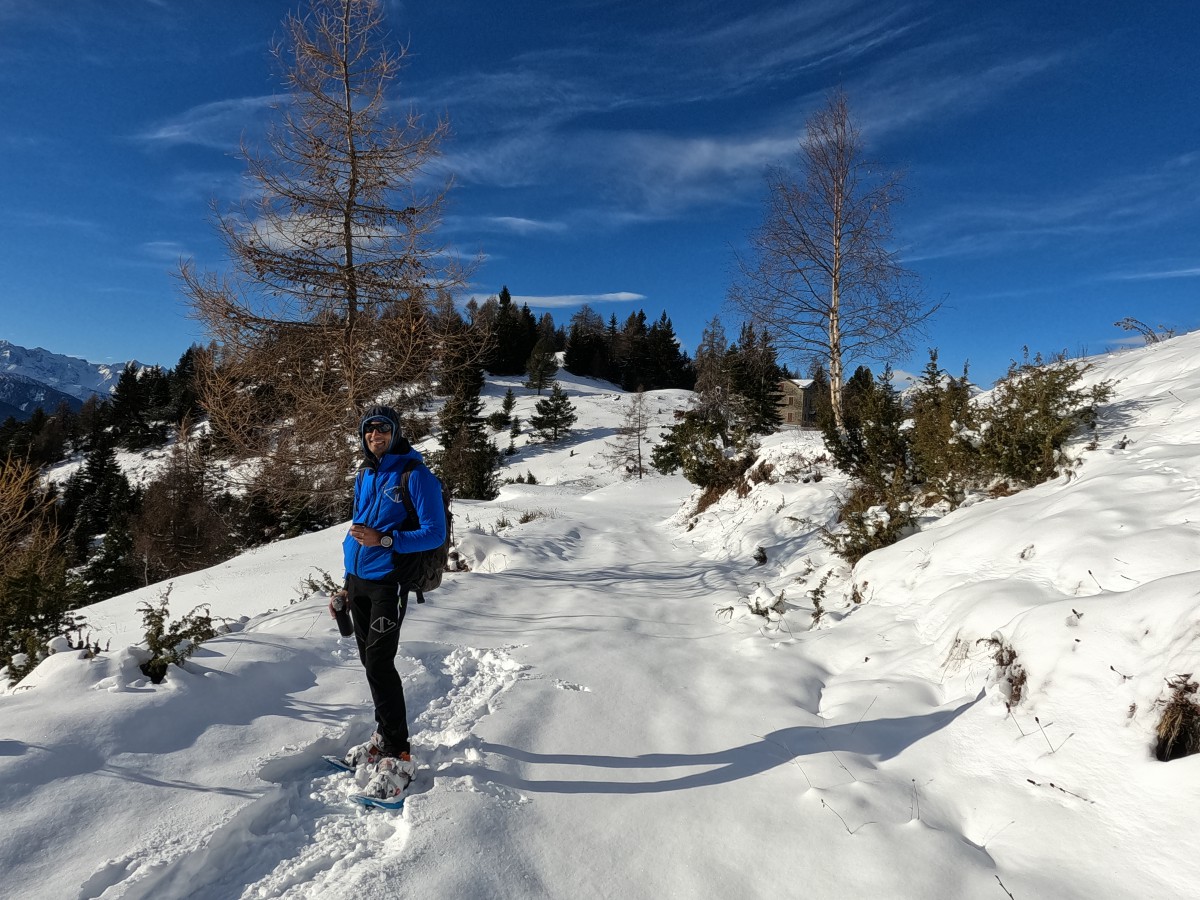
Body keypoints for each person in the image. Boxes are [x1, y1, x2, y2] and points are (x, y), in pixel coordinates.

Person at [329, 404, 446, 800]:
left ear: (395, 432)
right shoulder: (365, 474)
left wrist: (388, 541)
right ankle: (383, 737)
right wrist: (346, 586)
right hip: (359, 581)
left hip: (389, 583)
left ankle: (399, 754)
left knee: (380, 662)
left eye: (382, 429)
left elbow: (433, 534)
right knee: (369, 663)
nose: (375, 436)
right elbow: (357, 530)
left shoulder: (416, 475)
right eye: (368, 431)